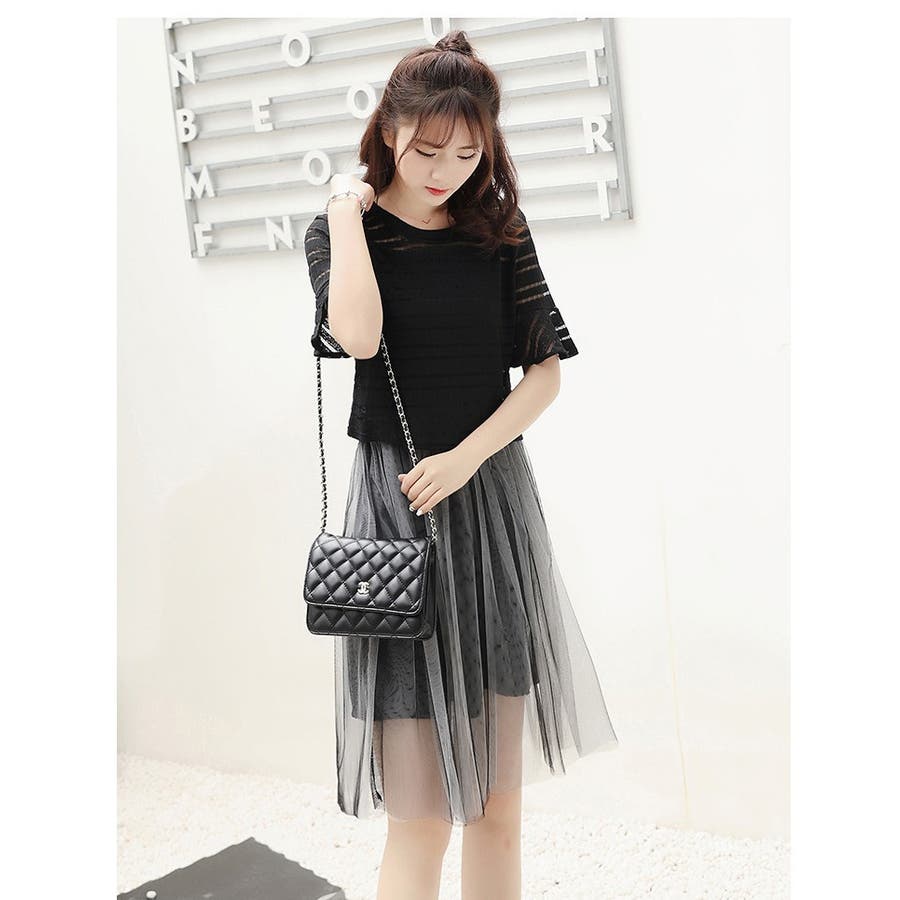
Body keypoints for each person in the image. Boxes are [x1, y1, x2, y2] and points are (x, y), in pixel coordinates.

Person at [304, 30, 619, 900]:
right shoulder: (344, 232)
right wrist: (344, 209)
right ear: (389, 131)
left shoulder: (496, 232)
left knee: (497, 809)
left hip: (491, 509)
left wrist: (468, 458)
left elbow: (545, 372)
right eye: (427, 149)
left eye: (468, 153)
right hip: (399, 513)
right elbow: (357, 336)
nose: (446, 170)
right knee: (421, 818)